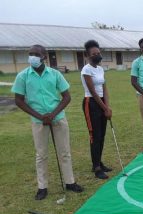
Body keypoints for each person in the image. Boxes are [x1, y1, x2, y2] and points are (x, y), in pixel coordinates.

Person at [11, 44, 83, 200]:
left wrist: (52, 114)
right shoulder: (23, 76)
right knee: (41, 154)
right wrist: (40, 116)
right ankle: (42, 187)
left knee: (64, 152)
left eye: (36, 54)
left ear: (44, 56)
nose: (32, 57)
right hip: (38, 121)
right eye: (30, 54)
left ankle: (70, 182)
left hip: (58, 118)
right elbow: (18, 100)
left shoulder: (55, 74)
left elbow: (66, 96)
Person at [81, 40, 113, 179]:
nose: (97, 55)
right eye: (94, 54)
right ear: (88, 56)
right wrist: (104, 107)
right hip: (91, 103)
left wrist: (108, 106)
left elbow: (104, 88)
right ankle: (96, 167)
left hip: (102, 102)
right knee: (95, 136)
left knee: (102, 135)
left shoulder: (100, 69)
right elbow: (92, 91)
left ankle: (99, 161)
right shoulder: (86, 70)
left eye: (99, 53)